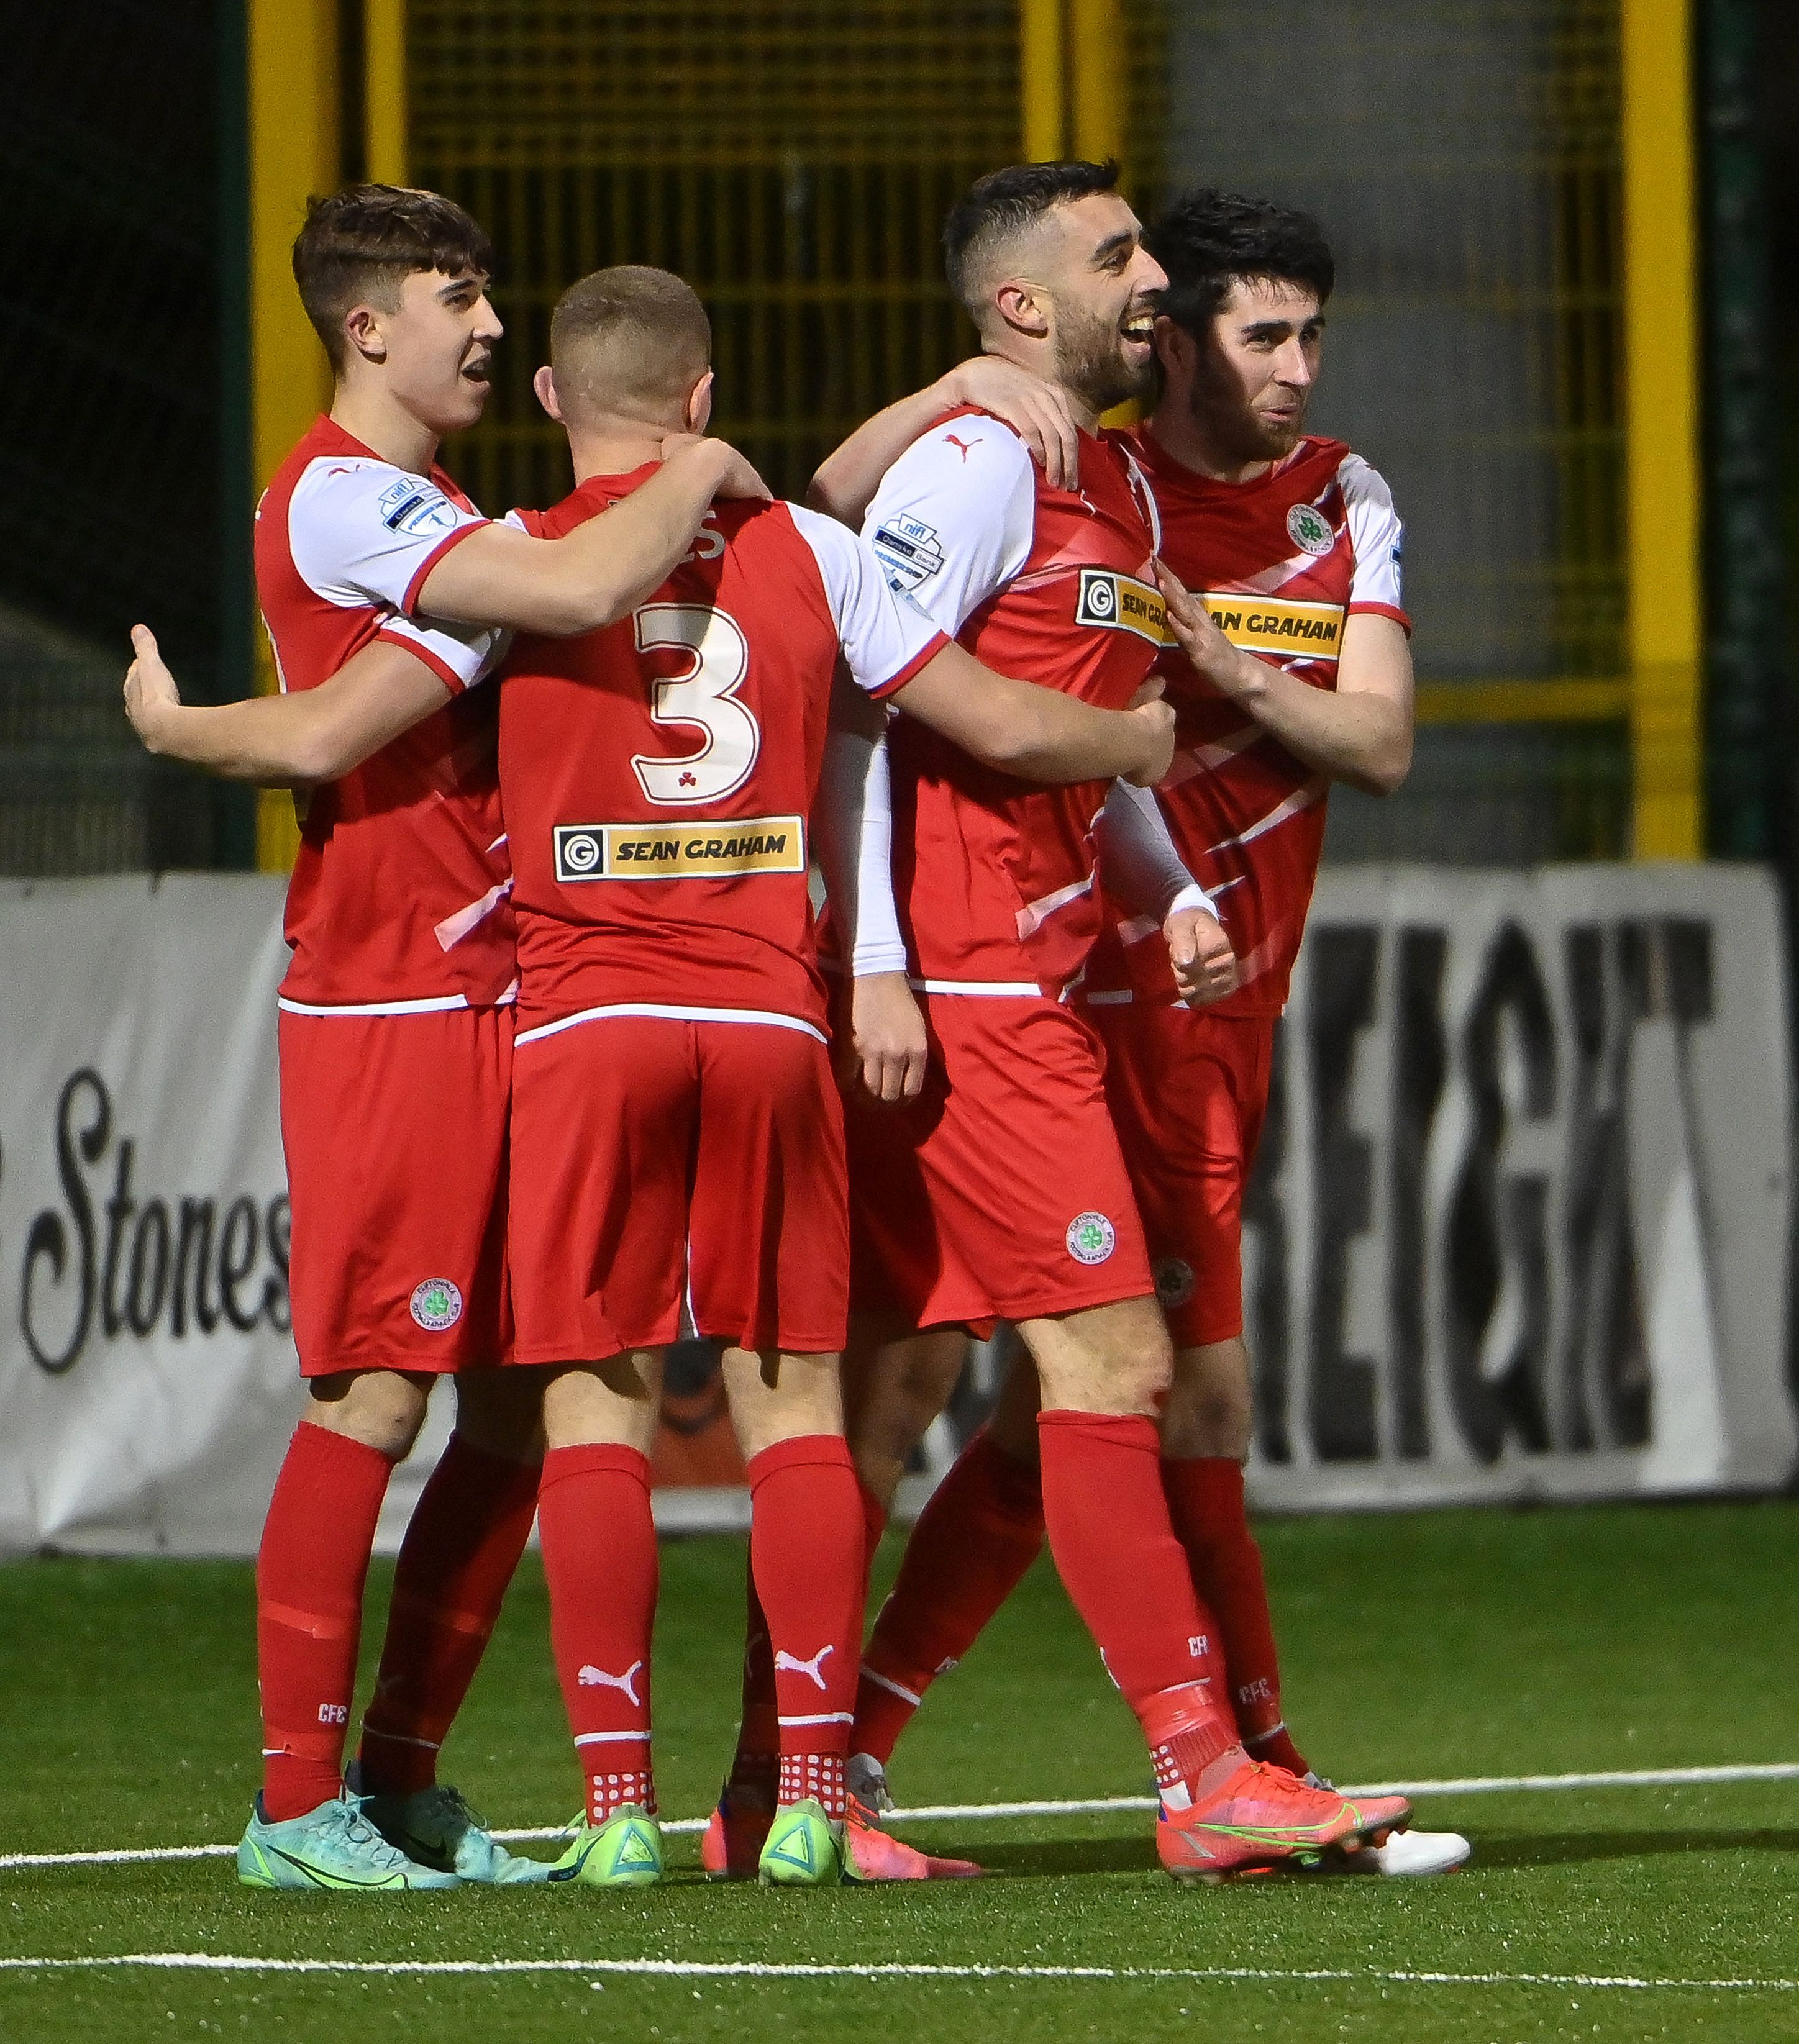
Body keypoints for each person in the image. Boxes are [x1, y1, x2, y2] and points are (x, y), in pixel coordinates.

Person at [744, 160, 1411, 1883]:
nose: (1150, 280)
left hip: (1021, 960)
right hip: (963, 983)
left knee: (897, 1387)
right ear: (1025, 302)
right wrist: (878, 961)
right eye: (1117, 257)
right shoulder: (974, 462)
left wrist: (1171, 886)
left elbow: (1094, 717)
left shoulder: (1095, 469)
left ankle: (788, 1789)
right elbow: (867, 713)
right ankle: (1206, 1771)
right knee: (1112, 1367)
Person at [491, 264, 1178, 1889]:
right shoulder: (808, 551)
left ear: (548, 401)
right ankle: (807, 1790)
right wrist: (1134, 744)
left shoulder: (514, 558)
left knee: (594, 1404)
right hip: (764, 1018)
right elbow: (984, 711)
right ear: (707, 397)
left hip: (584, 1021)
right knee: (792, 1399)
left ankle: (610, 1816)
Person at [126, 184, 769, 1891]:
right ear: (368, 327)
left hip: (509, 986)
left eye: (483, 290)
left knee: (507, 1403)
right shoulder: (341, 497)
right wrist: (705, 464)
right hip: (395, 993)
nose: (490, 324)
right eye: (456, 293)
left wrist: (212, 728)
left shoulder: (428, 502)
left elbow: (351, 714)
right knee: (375, 1391)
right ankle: (291, 1803)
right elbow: (581, 580)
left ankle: (402, 1777)